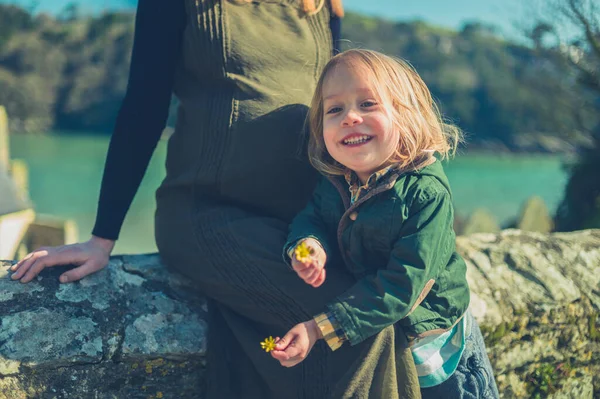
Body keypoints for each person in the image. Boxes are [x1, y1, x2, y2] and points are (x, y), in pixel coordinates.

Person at [10, 1, 424, 398]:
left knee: (376, 315)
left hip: (303, 225)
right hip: (208, 215)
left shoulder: (318, 4)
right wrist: (101, 239)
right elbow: (144, 106)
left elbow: (341, 115)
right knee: (352, 327)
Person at [276, 49, 500, 398]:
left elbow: (403, 284)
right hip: (388, 332)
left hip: (439, 344)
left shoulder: (426, 193)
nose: (350, 117)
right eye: (335, 109)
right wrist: (309, 247)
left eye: (367, 104)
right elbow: (313, 219)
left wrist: (320, 328)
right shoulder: (336, 181)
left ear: (405, 116)